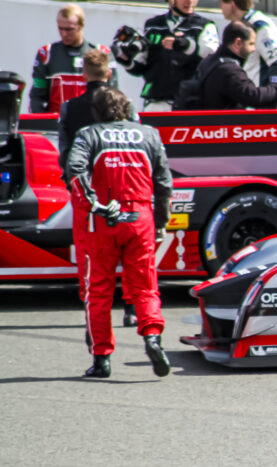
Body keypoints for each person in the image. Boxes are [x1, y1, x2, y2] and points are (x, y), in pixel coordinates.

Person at [65, 87, 173, 378]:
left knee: (98, 290)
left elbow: (74, 169)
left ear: (97, 111)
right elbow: (164, 184)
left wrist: (92, 203)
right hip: (141, 219)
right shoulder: (149, 134)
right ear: (127, 108)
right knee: (145, 287)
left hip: (103, 218)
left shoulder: (89, 134)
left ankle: (102, 359)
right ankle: (152, 337)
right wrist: (161, 222)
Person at [57, 49, 139, 327]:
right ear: (109, 73)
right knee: (129, 249)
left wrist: (71, 184)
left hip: (86, 190)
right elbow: (136, 142)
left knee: (87, 252)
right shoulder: (126, 103)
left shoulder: (69, 107)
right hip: (122, 184)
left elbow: (65, 153)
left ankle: (89, 304)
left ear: (83, 74)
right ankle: (131, 307)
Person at [117, 0, 218, 111]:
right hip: (156, 102)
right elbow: (142, 65)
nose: (189, 1)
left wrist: (187, 45)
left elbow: (211, 55)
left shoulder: (203, 25)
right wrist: (127, 61)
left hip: (189, 104)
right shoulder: (153, 25)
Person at [29, 4, 118, 113]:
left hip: (91, 123)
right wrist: (42, 123)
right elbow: (36, 96)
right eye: (60, 28)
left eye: (69, 29)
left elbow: (113, 94)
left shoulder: (102, 53)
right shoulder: (46, 54)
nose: (64, 34)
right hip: (57, 123)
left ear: (82, 26)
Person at [194, 21, 277, 110]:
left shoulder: (211, 60)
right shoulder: (229, 70)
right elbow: (253, 96)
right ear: (238, 43)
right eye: (251, 44)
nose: (254, 49)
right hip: (220, 128)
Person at [219, 0, 277, 86]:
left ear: (232, 4)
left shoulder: (260, 26)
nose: (220, 6)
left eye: (221, 2)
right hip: (241, 92)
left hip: (258, 93)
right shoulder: (236, 25)